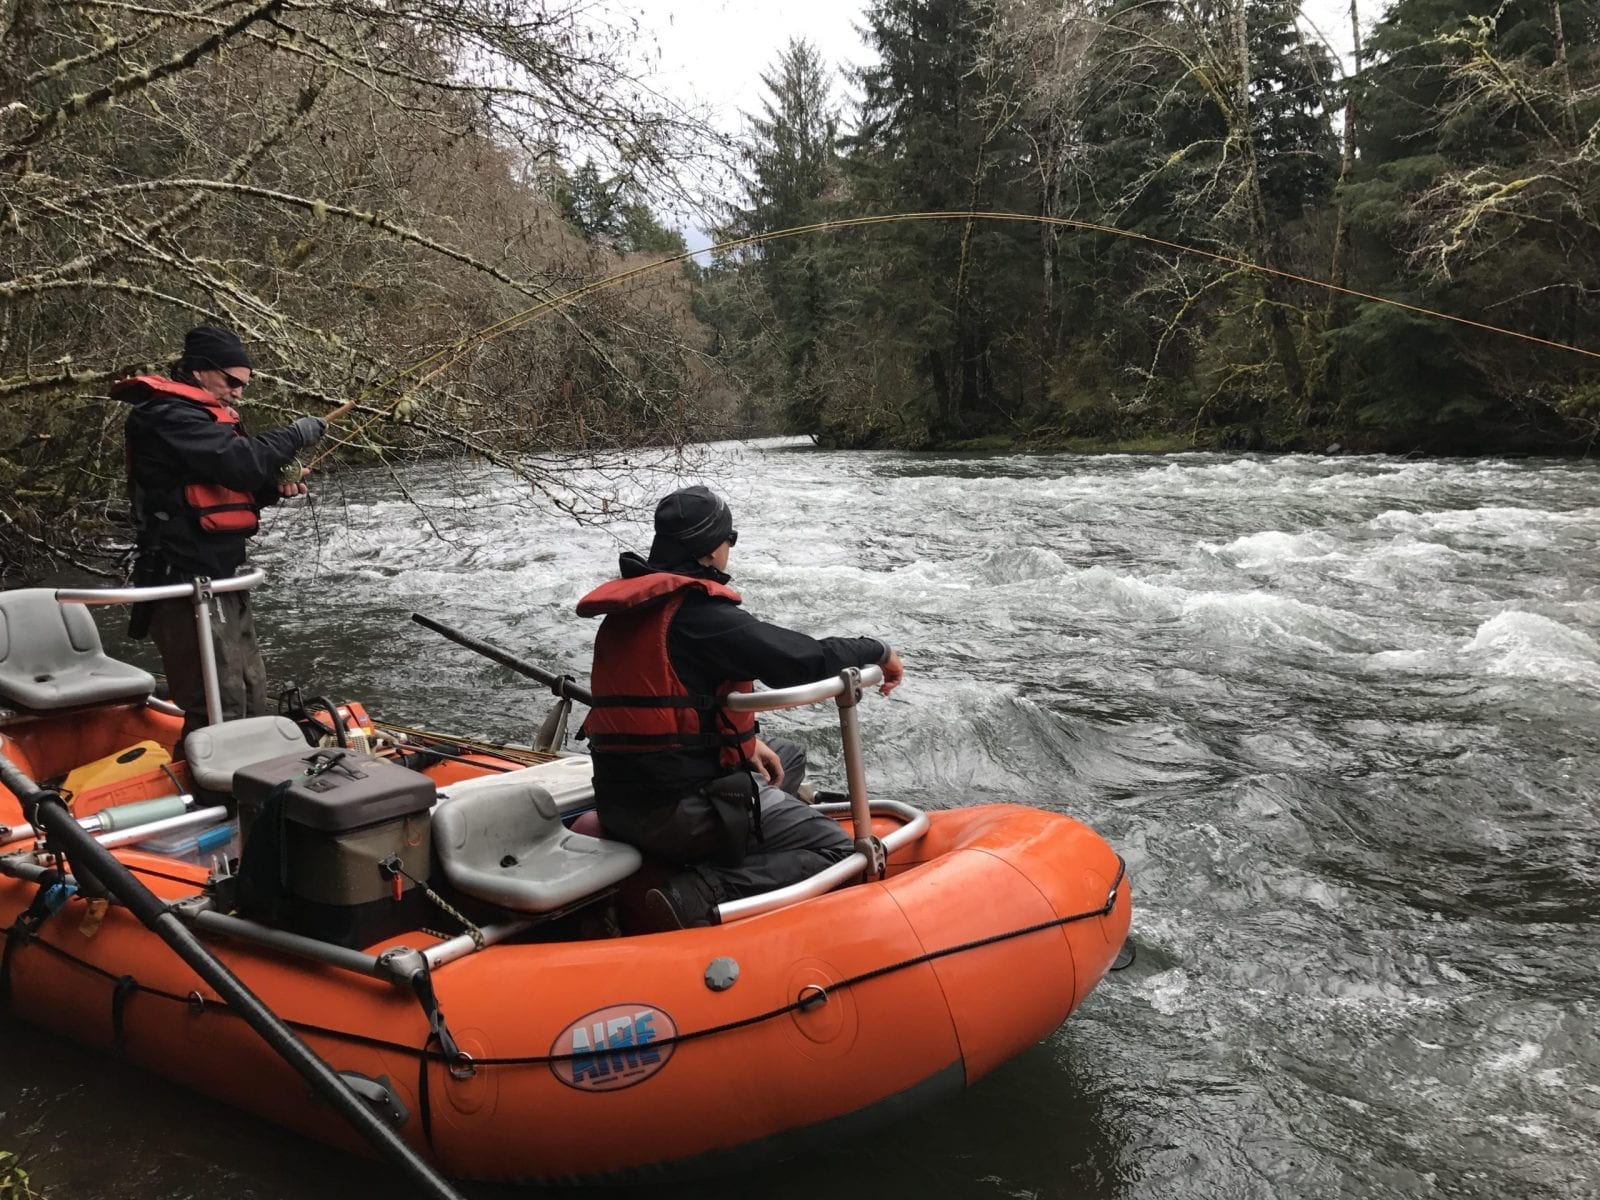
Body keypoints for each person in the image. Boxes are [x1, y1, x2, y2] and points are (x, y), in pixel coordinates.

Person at [576, 485, 904, 929]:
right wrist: (878, 650)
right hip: (679, 813)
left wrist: (746, 744)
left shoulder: (634, 611)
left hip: (620, 798)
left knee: (787, 755)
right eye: (730, 538)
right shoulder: (701, 617)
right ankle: (699, 892)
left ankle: (746, 837)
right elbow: (801, 660)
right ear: (712, 548)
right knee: (841, 852)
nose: (730, 547)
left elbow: (680, 704)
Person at [115, 325, 328, 736]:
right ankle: (204, 775)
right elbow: (239, 463)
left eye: (243, 385)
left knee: (249, 691)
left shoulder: (203, 421)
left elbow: (230, 491)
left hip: (224, 578)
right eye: (232, 382)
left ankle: (247, 770)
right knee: (216, 704)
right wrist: (294, 434)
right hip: (181, 581)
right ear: (199, 370)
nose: (238, 393)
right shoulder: (165, 416)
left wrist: (272, 488)